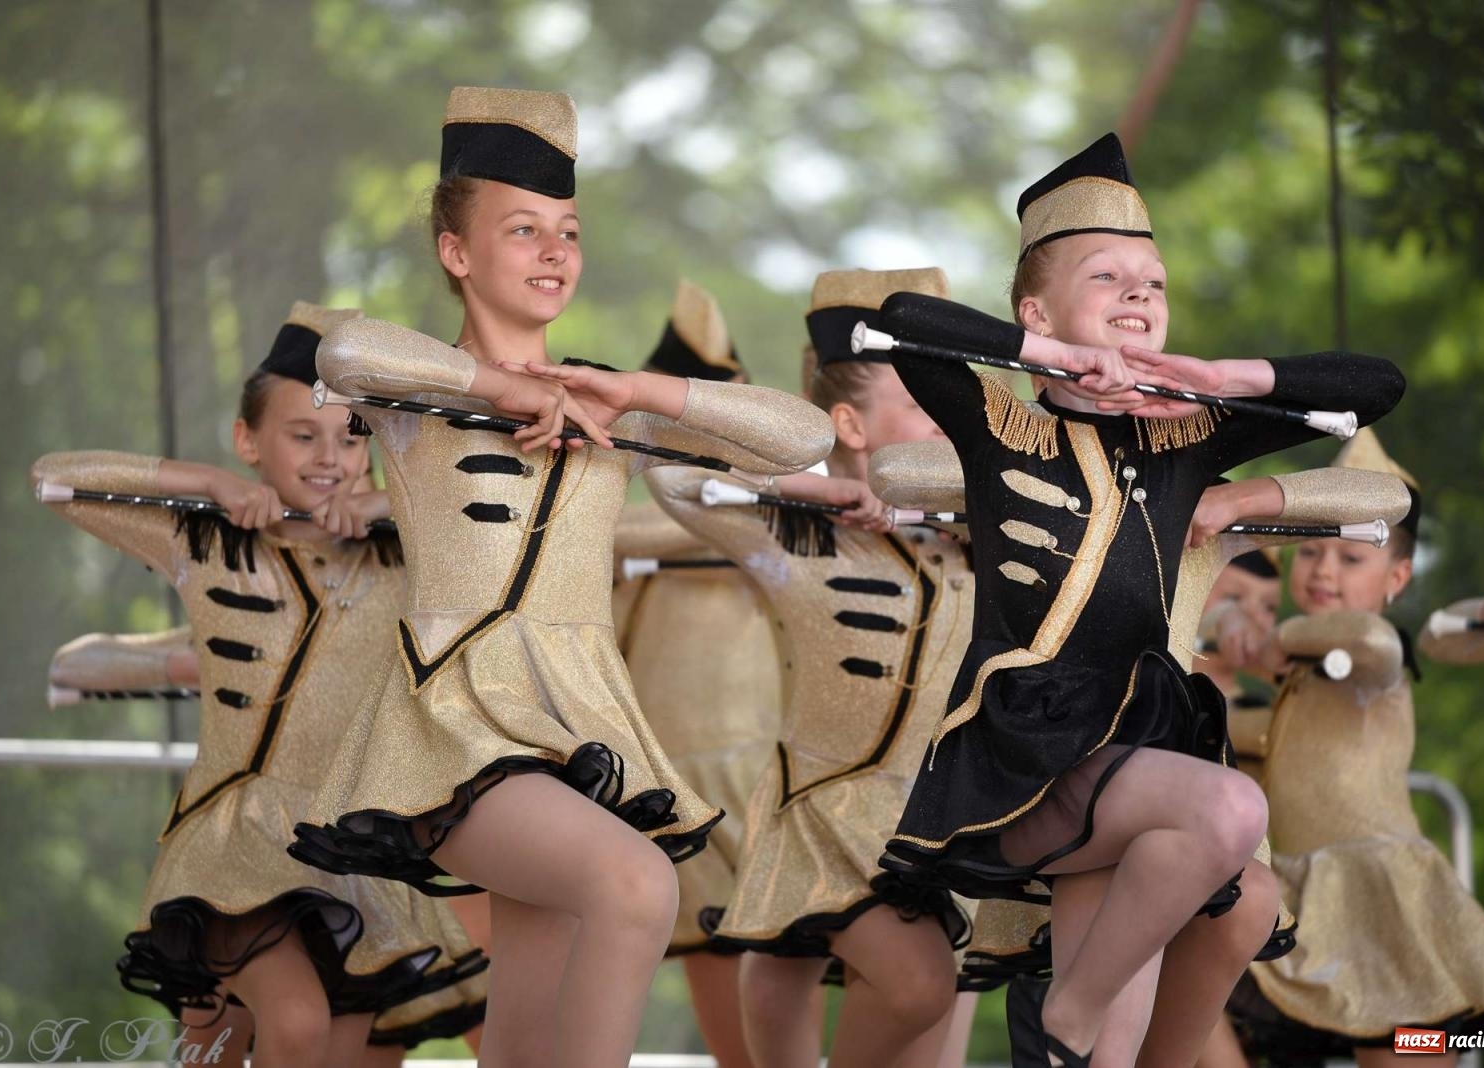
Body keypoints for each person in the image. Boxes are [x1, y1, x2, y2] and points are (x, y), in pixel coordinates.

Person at [288, 87, 835, 1068]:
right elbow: (345, 349)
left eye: (569, 232)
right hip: (449, 728)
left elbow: (804, 443)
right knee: (635, 886)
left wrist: (633, 390)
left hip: (576, 734)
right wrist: (511, 388)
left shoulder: (607, 403)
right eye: (523, 229)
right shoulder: (414, 390)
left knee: (526, 1039)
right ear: (456, 254)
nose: (554, 251)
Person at [875, 132, 1407, 1067]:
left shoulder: (1187, 436)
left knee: (1112, 1049)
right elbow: (901, 319)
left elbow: (1376, 386)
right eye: (1107, 277)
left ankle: (1073, 1034)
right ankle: (1070, 1011)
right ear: (1038, 306)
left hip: (1144, 753)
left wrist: (1218, 386)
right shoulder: (1000, 426)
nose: (1138, 296)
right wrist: (1048, 358)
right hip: (1030, 750)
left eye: (1154, 284)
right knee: (1233, 816)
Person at [33, 302, 483, 1068]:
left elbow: (500, 487)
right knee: (295, 1021)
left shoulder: (407, 555)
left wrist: (393, 500)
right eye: (302, 435)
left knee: (326, 1046)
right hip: (233, 843)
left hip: (352, 861)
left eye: (352, 439)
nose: (329, 458)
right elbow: (57, 481)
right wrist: (205, 483)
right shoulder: (207, 541)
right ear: (250, 440)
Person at [649, 266, 974, 1068]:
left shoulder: (976, 533)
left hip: (944, 823)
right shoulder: (795, 531)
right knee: (913, 987)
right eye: (919, 407)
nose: (944, 426)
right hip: (828, 809)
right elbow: (670, 472)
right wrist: (818, 486)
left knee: (902, 1022)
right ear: (850, 424)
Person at [1217, 429, 1484, 1067]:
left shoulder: (1369, 660)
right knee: (1191, 970)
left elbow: (1379, 645)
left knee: (1412, 1043)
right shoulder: (1297, 675)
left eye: (1351, 558)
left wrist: (1277, 637)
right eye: (1310, 553)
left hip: (1387, 913)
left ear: (1397, 577)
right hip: (1313, 915)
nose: (1324, 572)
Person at [612, 280, 789, 1068]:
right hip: (638, 786)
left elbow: (748, 513)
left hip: (747, 788)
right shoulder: (610, 520)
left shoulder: (765, 514)